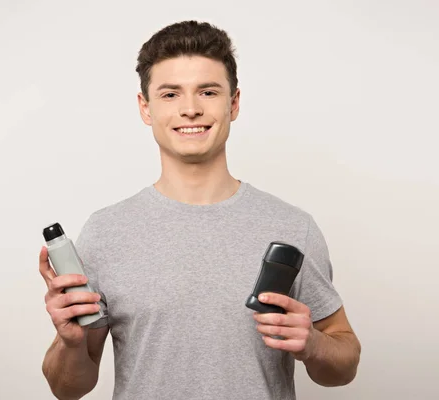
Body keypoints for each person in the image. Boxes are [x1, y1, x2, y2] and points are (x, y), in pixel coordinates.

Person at [39, 20, 361, 400]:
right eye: (170, 94)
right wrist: (70, 344)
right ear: (145, 108)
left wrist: (313, 344)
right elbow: (68, 389)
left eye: (207, 91)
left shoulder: (292, 226)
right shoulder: (105, 231)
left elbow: (344, 365)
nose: (190, 109)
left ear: (234, 103)